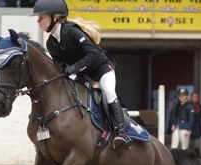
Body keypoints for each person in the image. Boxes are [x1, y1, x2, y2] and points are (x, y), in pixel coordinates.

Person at [32, 0, 131, 150]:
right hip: (83, 74)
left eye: (41, 17)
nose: (38, 21)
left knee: (109, 92)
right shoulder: (51, 44)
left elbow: (93, 52)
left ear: (55, 17)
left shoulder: (71, 31)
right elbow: (61, 67)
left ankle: (122, 132)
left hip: (102, 69)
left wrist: (74, 68)